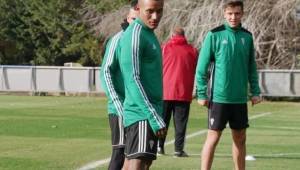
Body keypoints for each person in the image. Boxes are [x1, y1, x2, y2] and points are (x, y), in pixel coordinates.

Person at [196, 1, 261, 170]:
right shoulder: (214, 35)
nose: (233, 17)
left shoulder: (247, 37)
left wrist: (255, 91)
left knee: (240, 138)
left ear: (242, 14)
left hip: (239, 98)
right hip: (218, 97)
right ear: (224, 14)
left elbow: (251, 67)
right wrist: (201, 93)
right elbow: (201, 68)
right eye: (230, 14)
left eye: (237, 13)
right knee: (213, 138)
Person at [118, 0, 166, 169]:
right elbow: (133, 80)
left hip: (148, 112)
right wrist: (153, 116)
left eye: (159, 11)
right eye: (150, 11)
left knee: (138, 162)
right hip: (142, 114)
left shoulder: (148, 33)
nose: (155, 16)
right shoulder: (135, 34)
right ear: (138, 9)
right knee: (138, 163)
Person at [100, 1, 138, 169]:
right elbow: (105, 72)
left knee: (136, 154)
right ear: (127, 19)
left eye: (138, 19)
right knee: (119, 153)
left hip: (137, 108)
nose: (135, 23)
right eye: (132, 19)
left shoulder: (142, 40)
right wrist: (117, 103)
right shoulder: (117, 40)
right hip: (121, 108)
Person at [157, 27, 198, 157]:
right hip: (183, 92)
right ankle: (178, 150)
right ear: (184, 36)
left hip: (165, 91)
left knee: (162, 121)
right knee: (180, 123)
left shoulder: (164, 48)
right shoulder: (193, 51)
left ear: (172, 35)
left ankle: (160, 147)